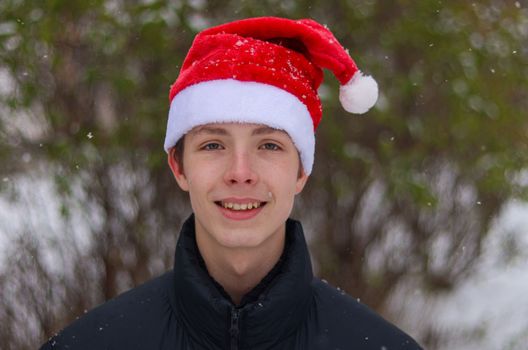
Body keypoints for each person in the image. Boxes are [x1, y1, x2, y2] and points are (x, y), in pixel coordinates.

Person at [40, 17, 422, 350]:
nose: (240, 171)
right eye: (213, 145)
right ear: (179, 167)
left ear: (302, 171)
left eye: (269, 145)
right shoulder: (90, 344)